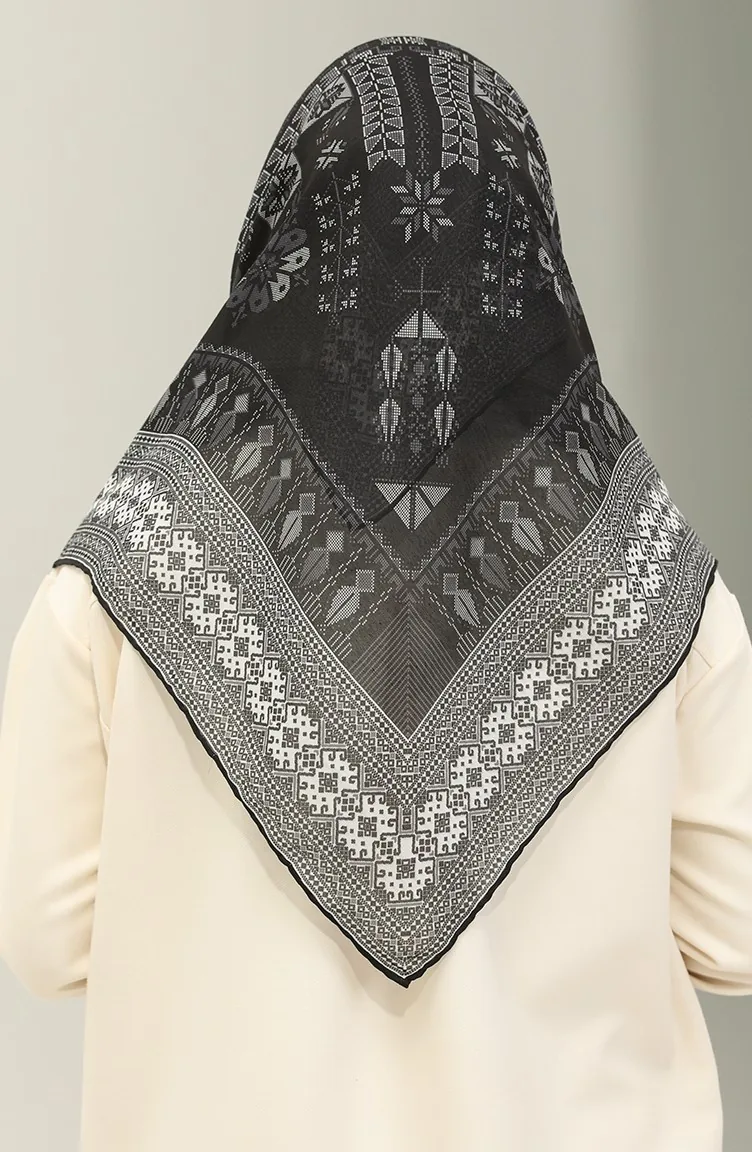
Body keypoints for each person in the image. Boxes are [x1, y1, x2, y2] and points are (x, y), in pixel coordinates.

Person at [1, 33, 751, 1152]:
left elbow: (47, 939)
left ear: (284, 245)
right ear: (530, 262)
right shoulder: (660, 588)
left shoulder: (117, 576)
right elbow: (734, 932)